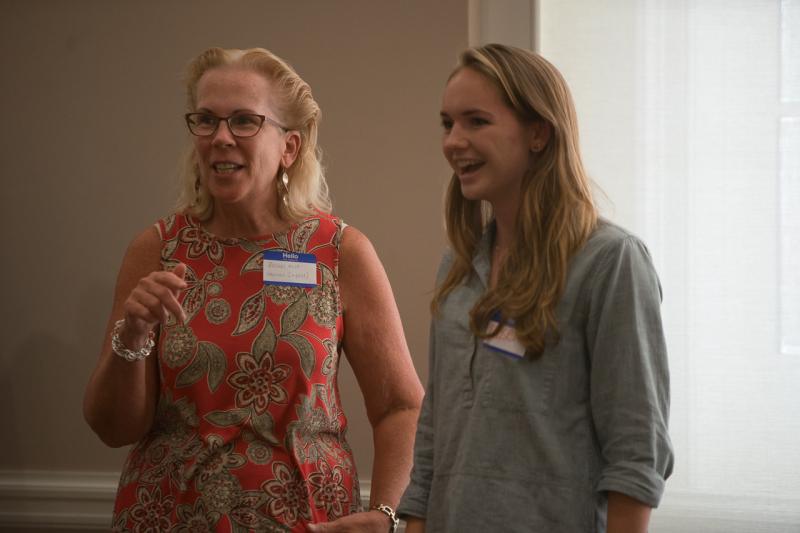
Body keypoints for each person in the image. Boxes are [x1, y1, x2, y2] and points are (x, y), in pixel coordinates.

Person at [83, 46, 423, 533]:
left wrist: (390, 516)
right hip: (170, 515)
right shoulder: (157, 249)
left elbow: (400, 407)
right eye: (206, 120)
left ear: (289, 146)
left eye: (244, 121)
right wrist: (132, 335)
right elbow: (112, 428)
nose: (220, 137)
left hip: (308, 520)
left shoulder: (339, 251)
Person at [398, 44, 674, 532]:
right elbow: (434, 431)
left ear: (538, 134)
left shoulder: (609, 262)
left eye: (476, 121)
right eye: (447, 123)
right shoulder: (457, 269)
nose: (453, 142)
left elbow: (636, 453)